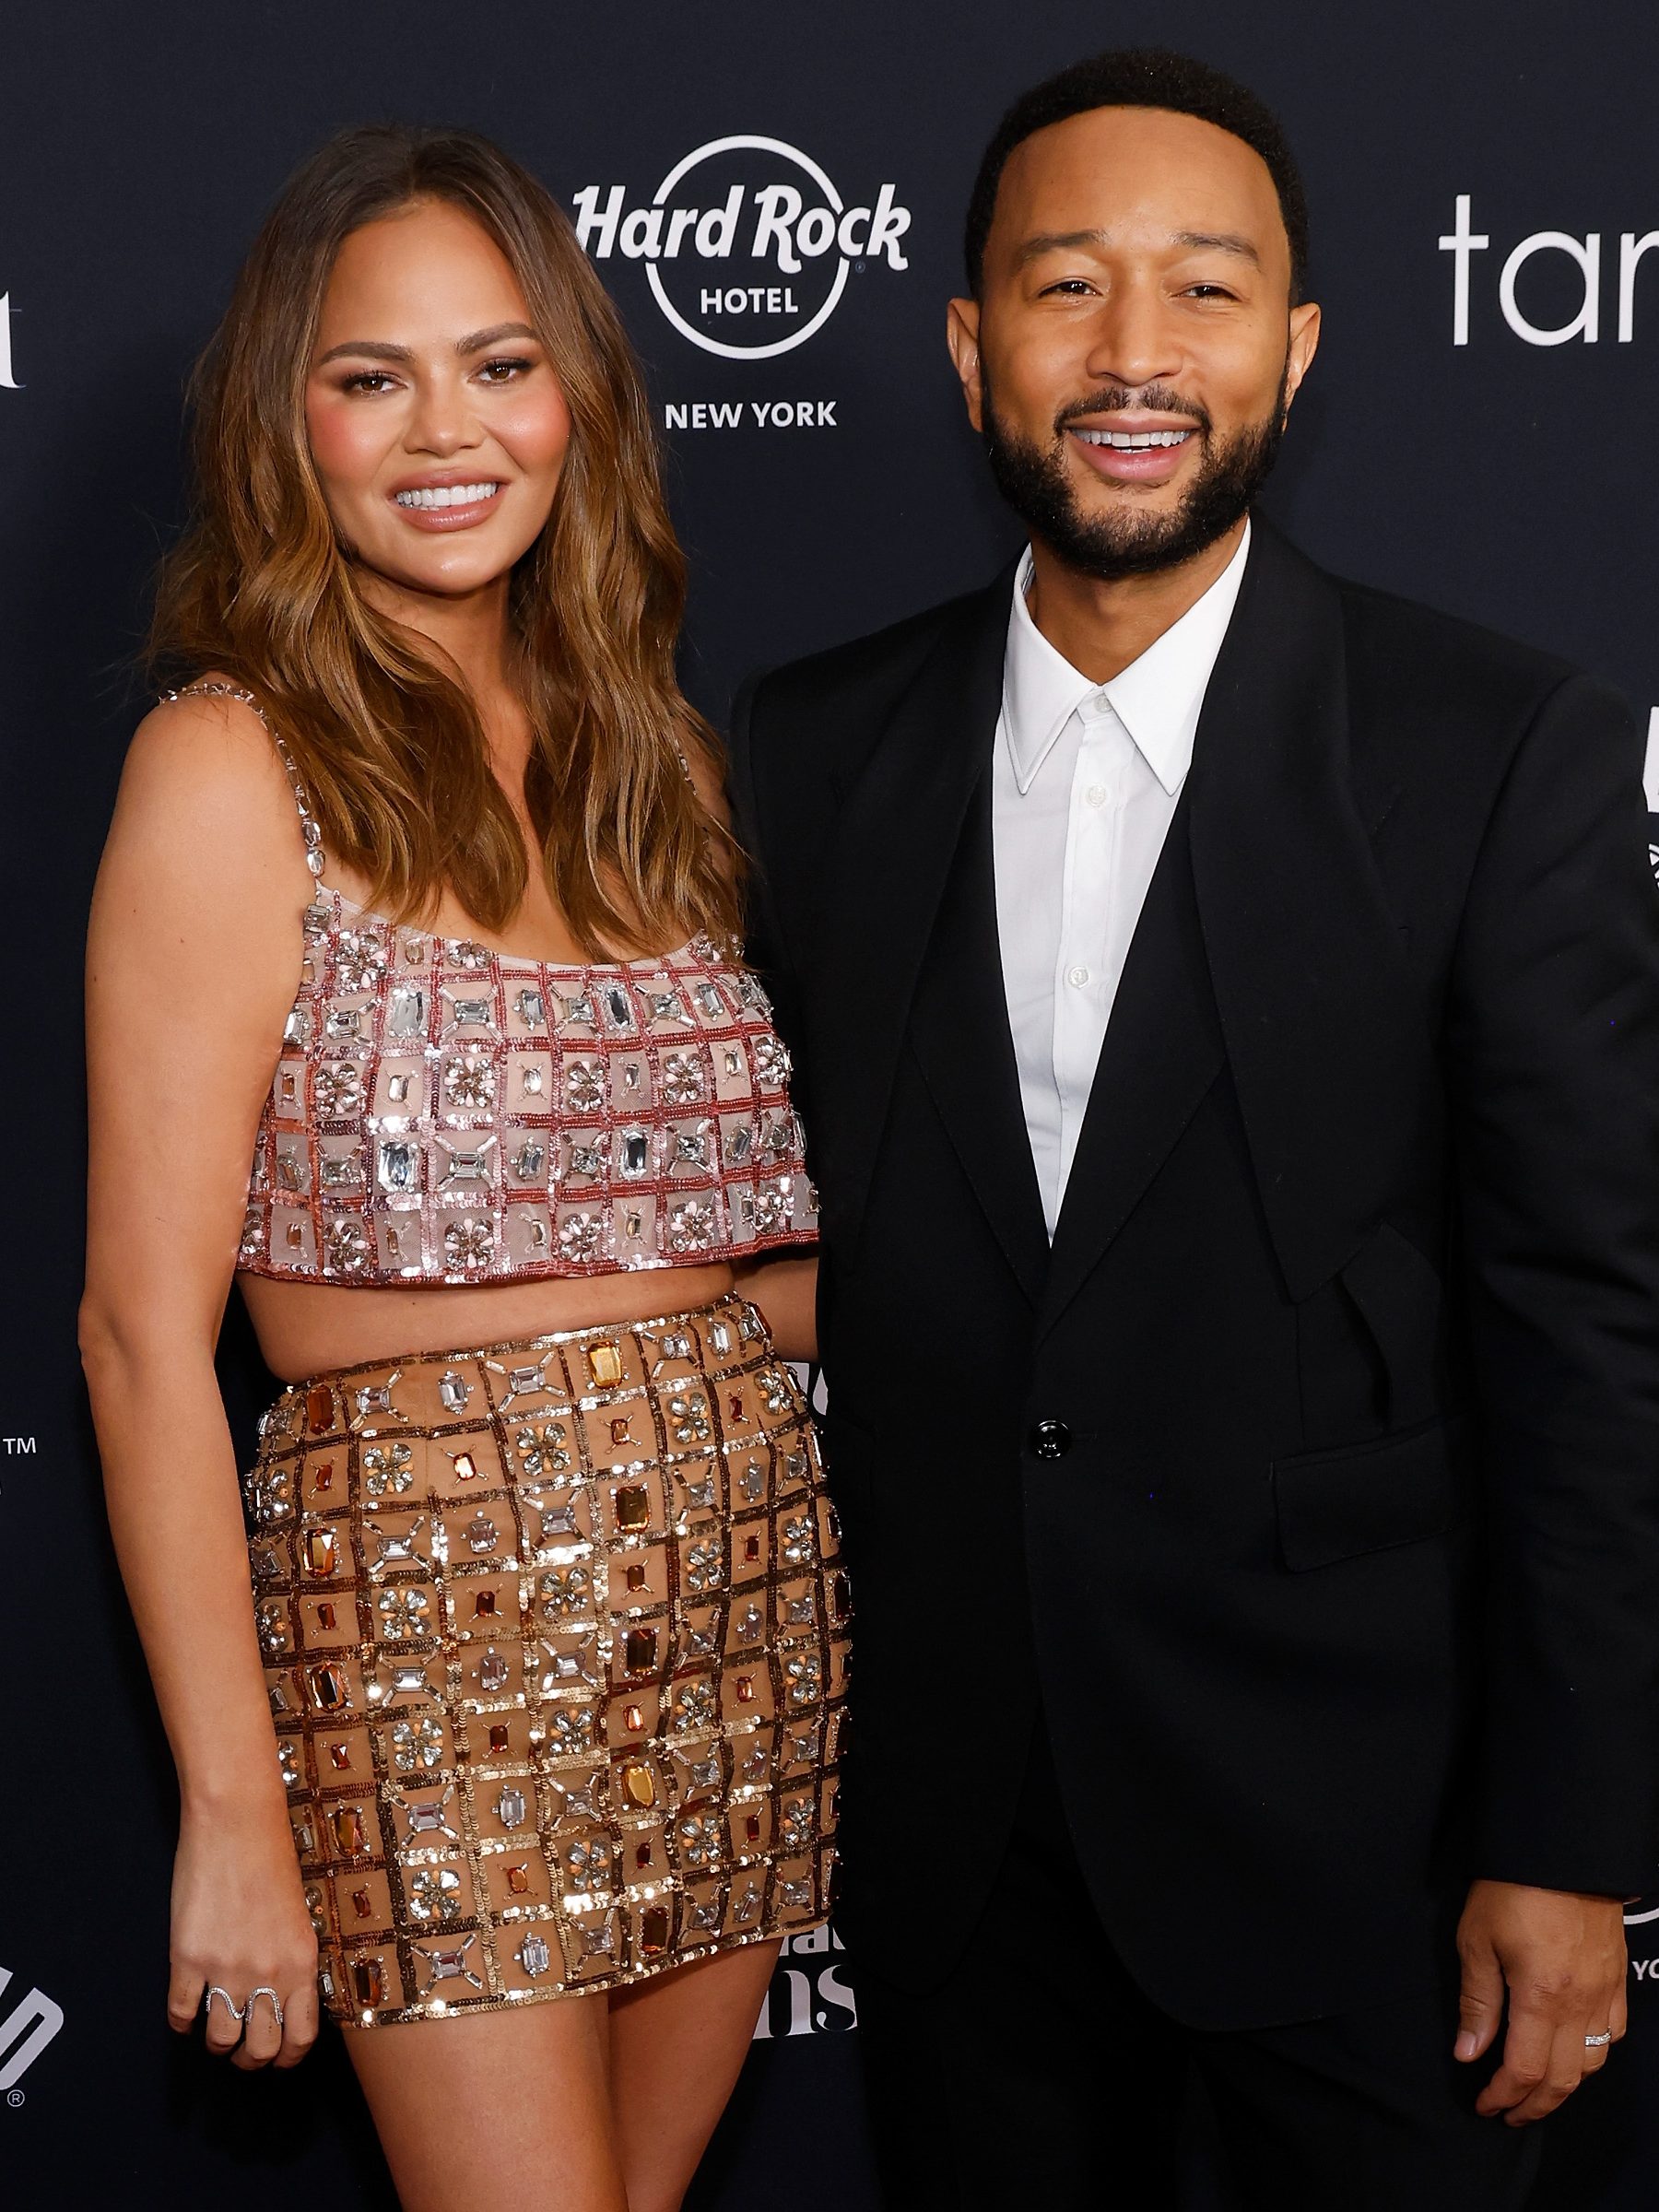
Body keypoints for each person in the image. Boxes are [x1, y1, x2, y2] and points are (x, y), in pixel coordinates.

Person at [728, 47, 1659, 2210]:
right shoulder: (804, 746)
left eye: (1205, 292)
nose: (1133, 356)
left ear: (1298, 350)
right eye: (1066, 289)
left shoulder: (1495, 744)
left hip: (1373, 1845)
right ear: (971, 354)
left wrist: (1572, 1841)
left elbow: (1590, 1330)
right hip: (956, 1844)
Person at [80, 124, 848, 2212]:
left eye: (501, 367)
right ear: (287, 422)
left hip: (741, 1598)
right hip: (434, 1636)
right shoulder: (232, 762)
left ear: (578, 401)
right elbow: (144, 1339)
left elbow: (754, 1251)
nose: (450, 432)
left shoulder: (655, 761)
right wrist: (235, 1808)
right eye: (373, 377)